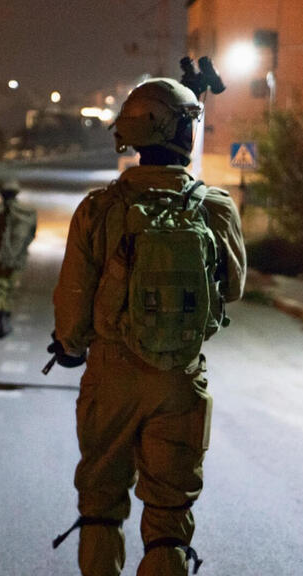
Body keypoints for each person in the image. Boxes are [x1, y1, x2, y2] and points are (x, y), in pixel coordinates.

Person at [50, 78, 246, 576]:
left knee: (101, 506)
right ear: (181, 133)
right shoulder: (215, 206)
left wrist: (72, 344)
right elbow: (234, 288)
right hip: (180, 379)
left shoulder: (99, 208)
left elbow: (73, 302)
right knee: (168, 517)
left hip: (112, 377)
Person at [0, 179, 37, 338]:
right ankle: (7, 318)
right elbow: (31, 236)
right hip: (18, 260)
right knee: (10, 290)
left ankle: (1, 321)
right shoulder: (28, 212)